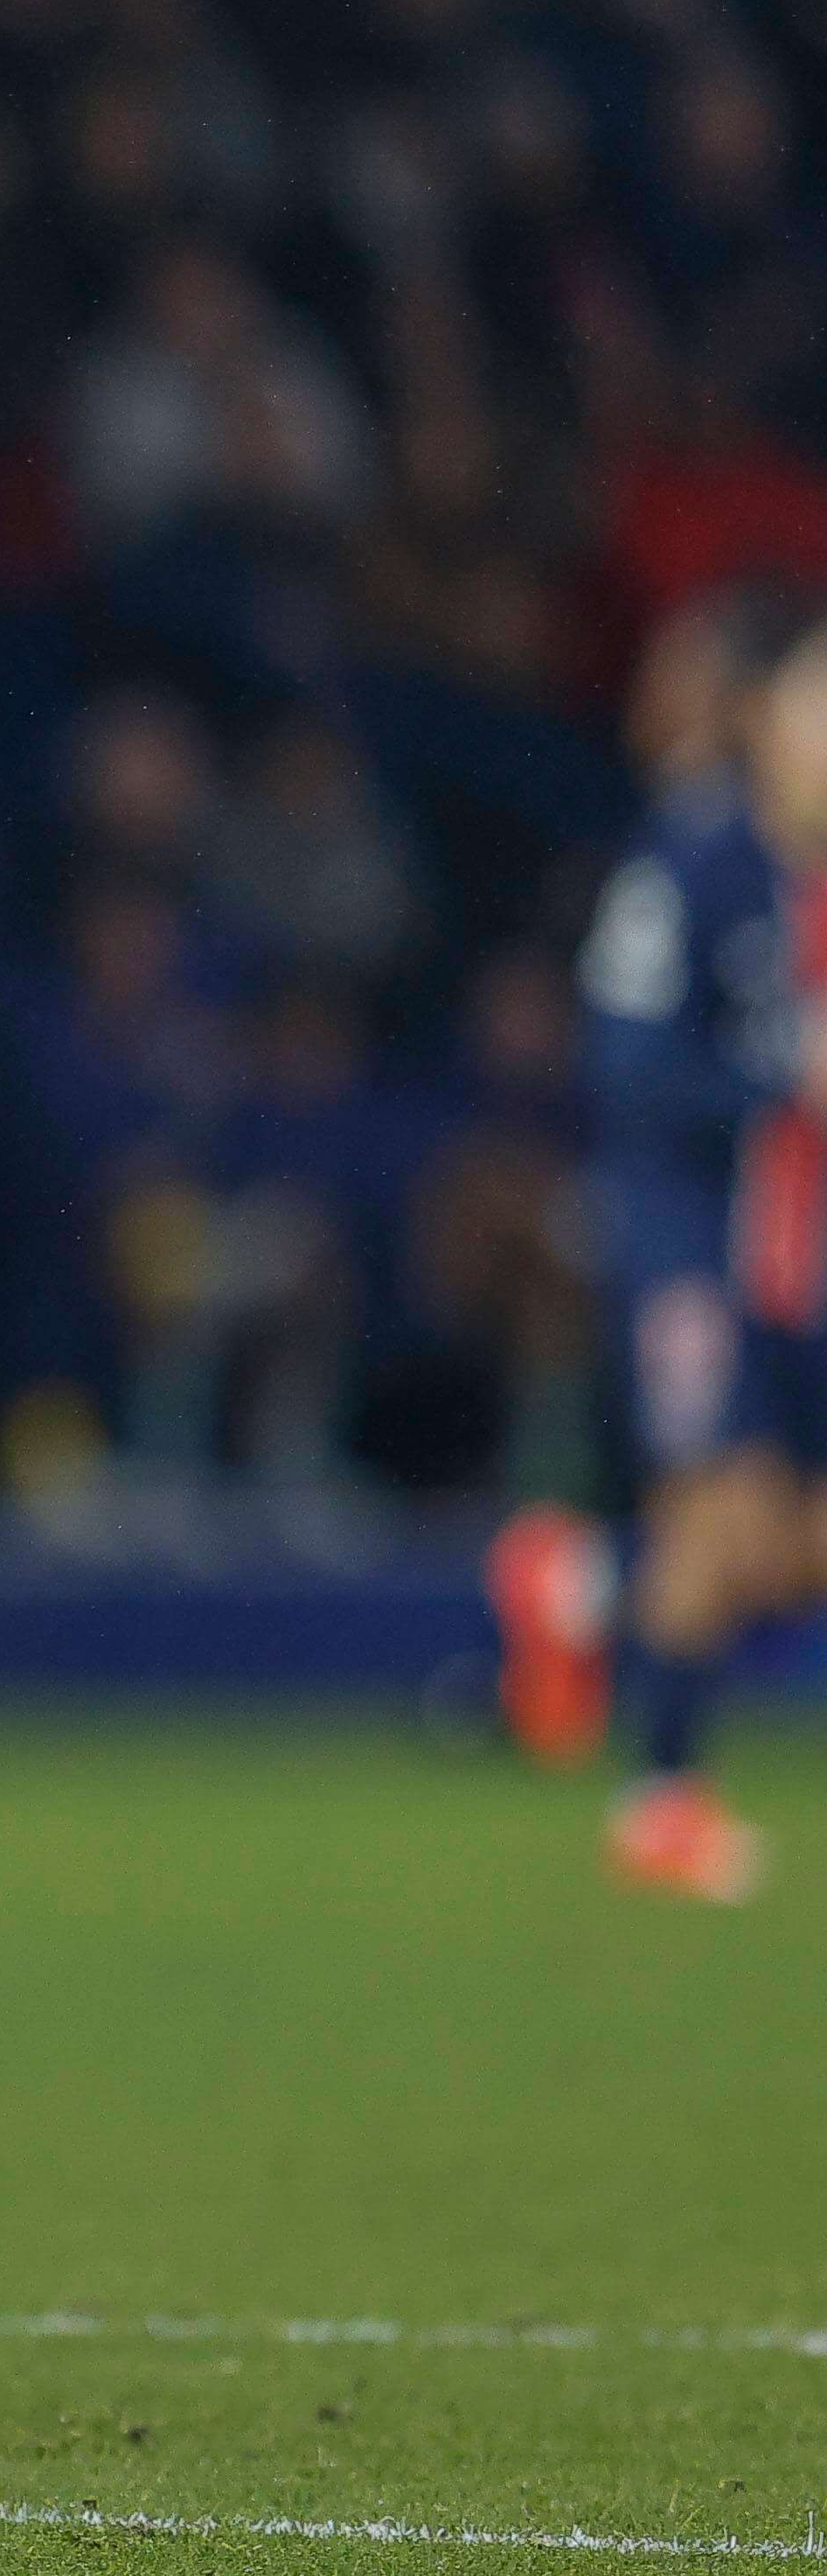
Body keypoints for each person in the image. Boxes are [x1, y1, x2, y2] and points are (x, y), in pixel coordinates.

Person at [503, 592, 827, 1901]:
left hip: (799, 1248)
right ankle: (663, 1805)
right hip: (691, 1235)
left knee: (786, 1553)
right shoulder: (690, 862)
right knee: (728, 1514)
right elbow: (624, 1065)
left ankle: (580, 1581)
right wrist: (778, 1079)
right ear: (764, 720)